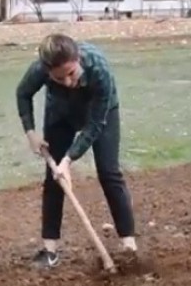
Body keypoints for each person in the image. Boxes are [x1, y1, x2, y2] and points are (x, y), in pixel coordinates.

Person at [16, 33, 137, 269]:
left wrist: (68, 160)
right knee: (54, 180)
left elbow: (95, 125)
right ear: (48, 71)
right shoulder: (40, 69)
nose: (69, 82)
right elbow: (23, 93)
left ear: (78, 59)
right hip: (60, 115)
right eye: (59, 78)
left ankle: (129, 245)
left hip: (101, 115)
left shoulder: (99, 69)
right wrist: (31, 133)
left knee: (109, 173)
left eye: (72, 74)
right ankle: (49, 250)